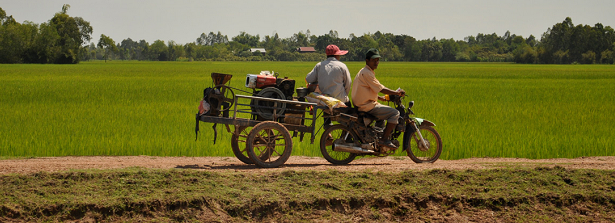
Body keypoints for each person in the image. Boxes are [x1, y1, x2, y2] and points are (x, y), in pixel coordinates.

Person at [351, 48, 405, 150]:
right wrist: (396, 93)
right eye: (374, 60)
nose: (376, 62)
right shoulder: (367, 73)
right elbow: (381, 88)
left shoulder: (365, 71)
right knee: (395, 113)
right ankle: (384, 139)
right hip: (367, 106)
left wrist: (380, 98)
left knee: (382, 117)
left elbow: (368, 89)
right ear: (367, 60)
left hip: (364, 103)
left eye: (378, 60)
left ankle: (376, 139)